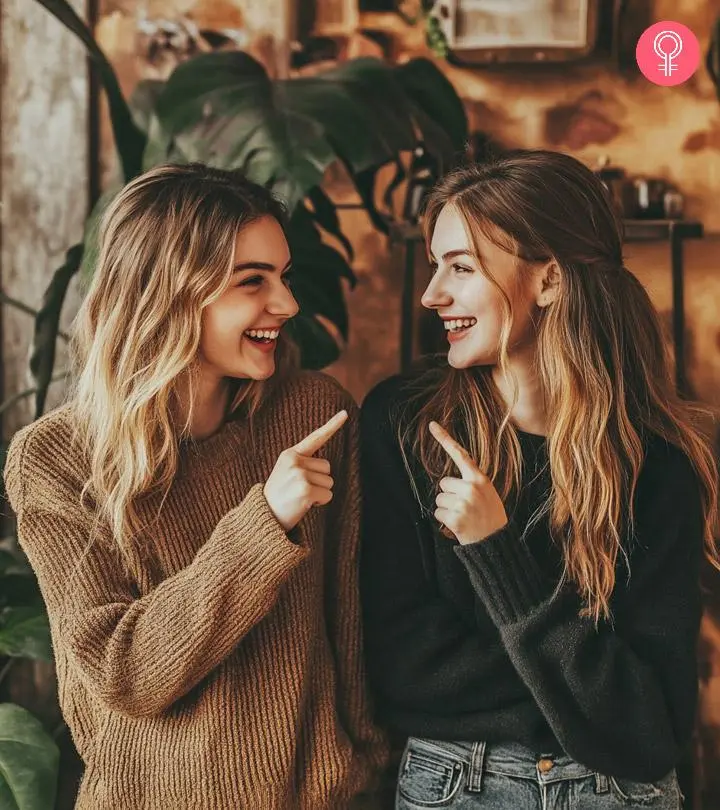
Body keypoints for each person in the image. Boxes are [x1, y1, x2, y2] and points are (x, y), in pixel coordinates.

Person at [4, 163, 387, 809]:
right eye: (252, 282)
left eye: (284, 277)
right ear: (167, 291)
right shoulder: (56, 459)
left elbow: (349, 627)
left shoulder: (312, 415)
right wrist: (262, 522)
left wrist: (365, 771)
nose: (287, 305)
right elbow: (122, 672)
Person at [359, 149, 718, 810]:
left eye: (461, 268)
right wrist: (587, 685)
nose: (431, 293)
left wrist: (496, 552)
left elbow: (651, 727)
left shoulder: (659, 461)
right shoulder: (405, 427)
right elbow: (403, 673)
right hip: (457, 787)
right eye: (436, 264)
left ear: (549, 279)